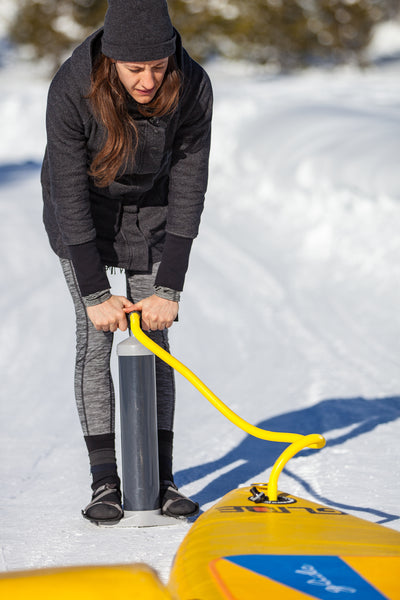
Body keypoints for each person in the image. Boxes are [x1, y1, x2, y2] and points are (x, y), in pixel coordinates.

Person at [41, 0, 212, 524]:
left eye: (157, 68)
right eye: (135, 69)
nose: (147, 80)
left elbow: (189, 183)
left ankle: (161, 478)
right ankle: (104, 482)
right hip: (84, 212)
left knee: (153, 340)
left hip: (153, 210)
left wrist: (170, 287)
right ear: (112, 59)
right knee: (95, 341)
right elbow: (68, 194)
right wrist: (96, 292)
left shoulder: (192, 84)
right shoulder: (73, 87)